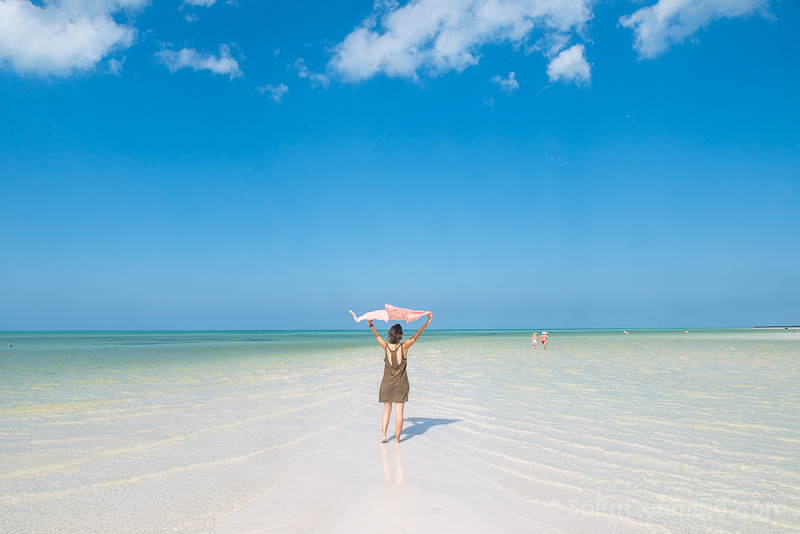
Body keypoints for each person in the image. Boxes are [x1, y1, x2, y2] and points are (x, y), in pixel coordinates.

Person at [368, 312, 433, 444]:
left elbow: (377, 336)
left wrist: (370, 324)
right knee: (399, 412)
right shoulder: (405, 347)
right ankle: (397, 439)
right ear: (400, 335)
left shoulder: (385, 346)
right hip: (401, 384)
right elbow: (417, 334)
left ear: (390, 334)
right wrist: (428, 321)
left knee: (387, 410)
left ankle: (384, 436)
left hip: (387, 384)